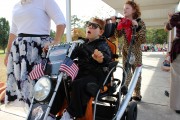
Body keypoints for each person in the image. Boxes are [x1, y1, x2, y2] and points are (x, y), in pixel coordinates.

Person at [3, 0, 66, 108]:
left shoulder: (45, 1)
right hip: (19, 51)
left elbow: (61, 22)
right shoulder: (16, 7)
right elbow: (13, 32)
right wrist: (8, 52)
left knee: (37, 86)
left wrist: (56, 41)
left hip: (38, 49)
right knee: (23, 88)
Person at [47, 18, 112, 120]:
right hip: (81, 74)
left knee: (78, 84)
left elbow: (106, 57)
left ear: (101, 32)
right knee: (62, 82)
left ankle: (71, 114)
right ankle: (51, 113)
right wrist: (55, 53)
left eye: (94, 26)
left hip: (96, 76)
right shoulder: (82, 44)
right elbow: (69, 55)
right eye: (88, 24)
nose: (90, 27)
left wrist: (100, 58)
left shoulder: (102, 44)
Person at [110, 0, 146, 101]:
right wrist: (115, 24)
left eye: (127, 8)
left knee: (136, 73)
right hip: (126, 50)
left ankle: (137, 93)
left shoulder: (140, 22)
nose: (124, 10)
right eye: (124, 8)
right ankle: (124, 91)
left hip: (136, 51)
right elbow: (117, 35)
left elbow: (142, 39)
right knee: (126, 72)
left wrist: (137, 27)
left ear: (134, 10)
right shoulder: (123, 22)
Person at [164, 11, 180, 114]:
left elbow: (167, 28)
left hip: (179, 48)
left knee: (177, 78)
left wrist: (170, 18)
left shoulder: (177, 15)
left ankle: (177, 105)